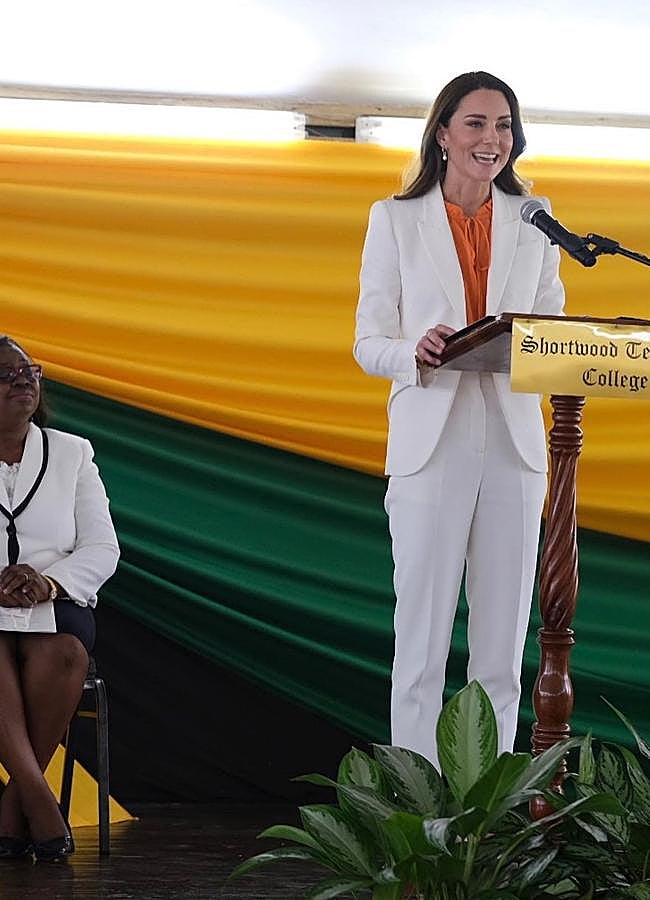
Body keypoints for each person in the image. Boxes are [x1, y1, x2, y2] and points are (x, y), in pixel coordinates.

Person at [354, 71, 565, 767]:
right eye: (475, 123)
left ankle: (490, 814)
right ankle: (411, 808)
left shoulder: (536, 219)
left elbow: (556, 331)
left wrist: (538, 344)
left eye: (503, 125)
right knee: (421, 640)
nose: (492, 139)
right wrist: (412, 351)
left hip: (514, 443)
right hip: (430, 441)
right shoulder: (396, 217)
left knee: (503, 646)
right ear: (442, 133)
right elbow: (367, 341)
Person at [0, 335, 120, 860]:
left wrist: (48, 583)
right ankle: (39, 804)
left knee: (67, 652)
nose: (24, 380)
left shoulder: (72, 453)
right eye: (7, 374)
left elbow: (102, 547)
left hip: (56, 601)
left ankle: (10, 808)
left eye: (30, 371)